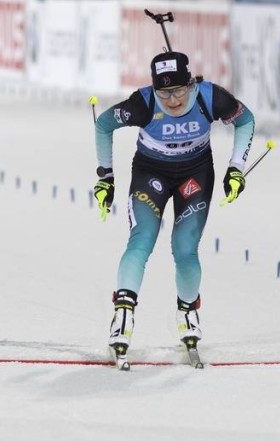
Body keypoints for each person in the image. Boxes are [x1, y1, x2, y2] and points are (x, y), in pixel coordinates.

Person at [92, 50, 256, 360]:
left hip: (194, 176)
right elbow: (103, 124)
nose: (173, 100)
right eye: (164, 92)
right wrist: (106, 177)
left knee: (184, 248)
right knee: (141, 240)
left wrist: (236, 168)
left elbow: (245, 121)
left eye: (180, 90)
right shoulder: (143, 103)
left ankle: (188, 311)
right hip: (150, 174)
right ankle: (123, 312)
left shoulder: (211, 97)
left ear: (192, 84)